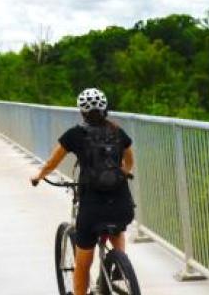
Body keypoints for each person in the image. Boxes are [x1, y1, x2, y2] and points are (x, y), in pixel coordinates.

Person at [30, 87, 135, 294]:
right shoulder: (118, 132)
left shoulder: (74, 135)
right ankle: (118, 266)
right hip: (122, 203)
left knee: (83, 263)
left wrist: (38, 176)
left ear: (81, 111)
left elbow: (52, 163)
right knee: (117, 226)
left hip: (92, 208)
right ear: (105, 108)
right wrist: (120, 174)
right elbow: (129, 162)